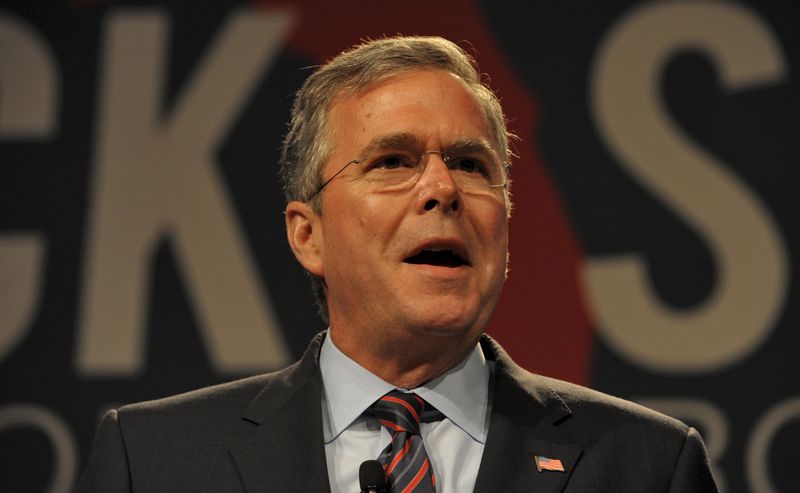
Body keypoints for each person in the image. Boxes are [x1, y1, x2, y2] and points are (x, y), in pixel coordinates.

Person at [77, 36, 718, 492]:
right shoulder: (154, 461)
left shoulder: (647, 466)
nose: (443, 188)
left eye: (472, 165)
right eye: (393, 162)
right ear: (308, 235)